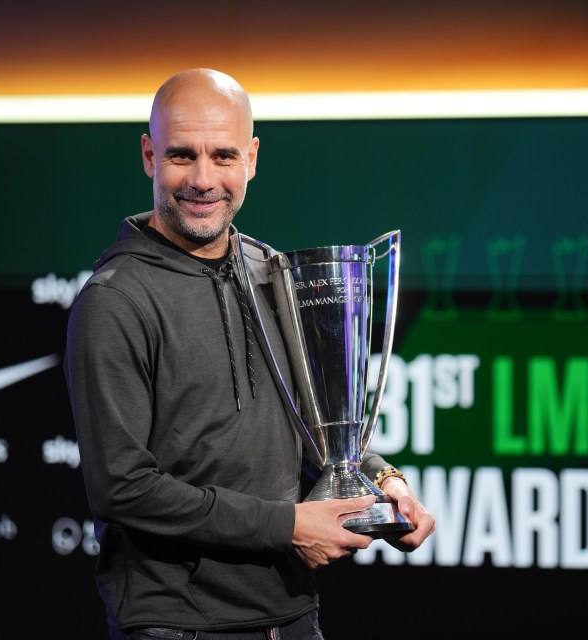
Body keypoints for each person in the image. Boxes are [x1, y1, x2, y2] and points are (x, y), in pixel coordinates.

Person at [64, 68, 435, 640]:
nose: (203, 179)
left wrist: (384, 481)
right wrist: (287, 526)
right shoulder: (116, 298)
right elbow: (122, 488)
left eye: (225, 156)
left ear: (253, 158)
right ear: (148, 155)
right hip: (177, 626)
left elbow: (313, 426)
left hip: (291, 616)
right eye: (182, 155)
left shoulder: (272, 273)